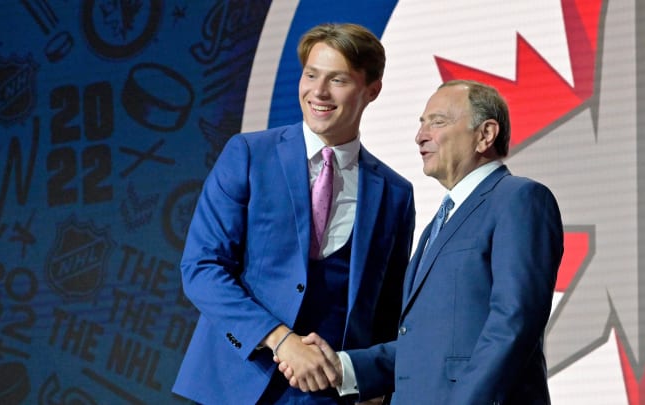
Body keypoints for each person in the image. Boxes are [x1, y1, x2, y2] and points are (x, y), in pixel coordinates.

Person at [172, 22, 416, 405]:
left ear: (372, 90)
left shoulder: (395, 193)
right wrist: (280, 340)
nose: (318, 92)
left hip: (329, 393)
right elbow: (202, 268)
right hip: (237, 383)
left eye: (337, 80)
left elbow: (387, 309)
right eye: (311, 75)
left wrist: (373, 385)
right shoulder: (249, 155)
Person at [279, 79, 564, 404]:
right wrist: (345, 367)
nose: (420, 136)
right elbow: (423, 344)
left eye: (437, 122)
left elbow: (514, 320)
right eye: (421, 124)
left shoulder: (519, 199)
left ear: (485, 134)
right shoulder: (439, 223)